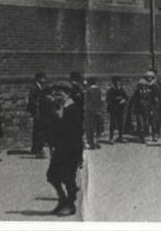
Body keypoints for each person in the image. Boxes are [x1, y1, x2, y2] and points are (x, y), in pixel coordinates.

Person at [45, 80, 83, 217]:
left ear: (67, 94)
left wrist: (79, 154)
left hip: (71, 150)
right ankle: (62, 200)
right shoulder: (59, 108)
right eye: (55, 95)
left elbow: (75, 132)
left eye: (59, 95)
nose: (56, 98)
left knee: (68, 178)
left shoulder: (73, 109)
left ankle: (70, 204)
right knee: (52, 176)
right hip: (60, 149)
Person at [27, 72, 49, 158]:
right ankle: (38, 151)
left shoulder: (40, 87)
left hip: (40, 112)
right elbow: (32, 100)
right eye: (43, 78)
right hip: (38, 112)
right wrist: (35, 111)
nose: (44, 80)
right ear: (39, 78)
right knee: (39, 132)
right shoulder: (34, 87)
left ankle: (35, 149)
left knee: (38, 131)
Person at [132, 78, 158, 143]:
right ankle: (142, 138)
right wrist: (134, 109)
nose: (143, 87)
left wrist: (151, 110)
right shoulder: (137, 92)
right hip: (139, 111)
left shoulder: (149, 92)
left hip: (147, 110)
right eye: (141, 85)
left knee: (147, 124)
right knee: (141, 124)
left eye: (144, 85)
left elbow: (151, 102)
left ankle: (151, 135)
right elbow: (134, 101)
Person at [84, 77, 104, 150]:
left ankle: (92, 144)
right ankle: (97, 142)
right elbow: (100, 101)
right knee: (98, 127)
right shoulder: (99, 90)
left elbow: (87, 102)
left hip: (90, 111)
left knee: (91, 128)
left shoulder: (88, 90)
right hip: (98, 110)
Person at [106, 76, 128, 143]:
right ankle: (111, 138)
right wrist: (115, 99)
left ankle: (120, 137)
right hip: (113, 109)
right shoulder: (111, 90)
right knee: (113, 123)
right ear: (113, 82)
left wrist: (123, 100)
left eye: (118, 82)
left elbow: (126, 98)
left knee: (121, 123)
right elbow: (108, 100)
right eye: (116, 82)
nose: (117, 83)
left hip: (120, 109)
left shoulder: (122, 90)